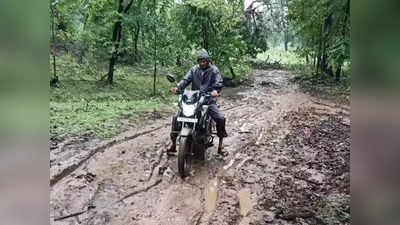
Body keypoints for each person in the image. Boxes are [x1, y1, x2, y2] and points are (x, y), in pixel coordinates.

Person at [168, 49, 228, 156]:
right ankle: (173, 144)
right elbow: (186, 80)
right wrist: (178, 87)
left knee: (220, 118)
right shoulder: (194, 69)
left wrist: (215, 91)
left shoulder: (214, 70)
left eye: (204, 61)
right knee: (177, 116)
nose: (202, 63)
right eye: (201, 61)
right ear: (198, 61)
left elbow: (218, 82)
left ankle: (220, 146)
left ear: (208, 61)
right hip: (194, 99)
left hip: (208, 99)